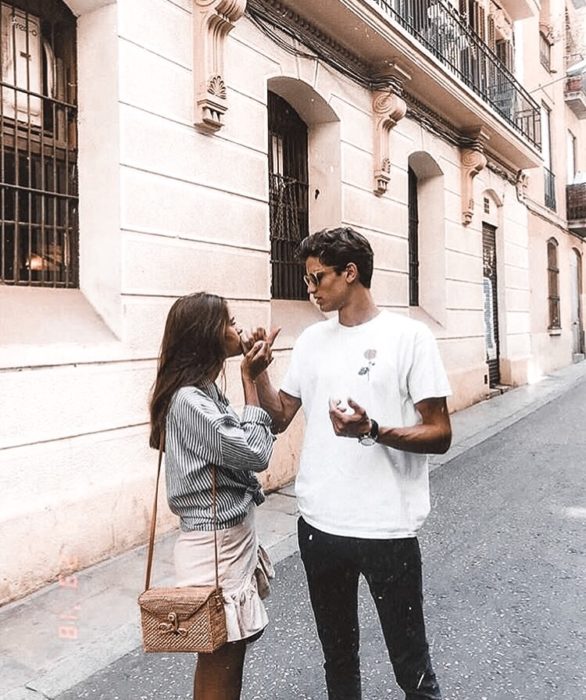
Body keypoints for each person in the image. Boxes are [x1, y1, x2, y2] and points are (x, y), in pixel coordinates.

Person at [253, 227, 452, 700]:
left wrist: (373, 430)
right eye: (306, 279)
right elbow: (279, 417)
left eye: (317, 277)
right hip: (320, 527)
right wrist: (258, 371)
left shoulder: (409, 337)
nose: (311, 288)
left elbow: (440, 432)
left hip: (387, 528)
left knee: (412, 668)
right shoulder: (310, 341)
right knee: (339, 662)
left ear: (350, 272)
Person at [149, 292, 278, 700]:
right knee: (221, 652)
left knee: (227, 648)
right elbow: (255, 454)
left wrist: (254, 373)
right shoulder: (190, 400)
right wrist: (249, 382)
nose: (237, 329)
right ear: (206, 335)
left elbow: (236, 449)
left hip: (225, 537)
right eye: (229, 322)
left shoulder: (202, 392)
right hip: (215, 544)